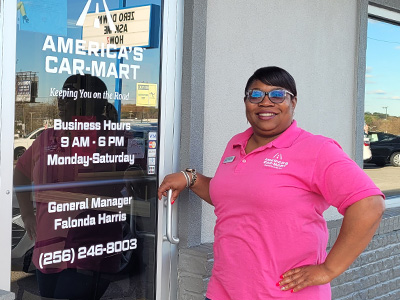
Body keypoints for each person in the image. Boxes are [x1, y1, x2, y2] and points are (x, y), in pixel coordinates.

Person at [158, 66, 385, 299]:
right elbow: (232, 196)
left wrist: (329, 269)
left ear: (293, 102)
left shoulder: (317, 149)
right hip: (224, 290)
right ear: (246, 103)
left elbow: (369, 205)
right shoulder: (236, 144)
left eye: (277, 94)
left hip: (284, 294)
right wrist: (191, 178)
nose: (265, 102)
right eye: (255, 95)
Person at [14, 74, 131, 299]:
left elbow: (139, 176)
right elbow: (20, 172)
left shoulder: (115, 138)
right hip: (49, 247)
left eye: (69, 96)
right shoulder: (48, 138)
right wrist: (27, 213)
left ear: (91, 101)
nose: (60, 101)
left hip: (91, 247)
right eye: (62, 95)